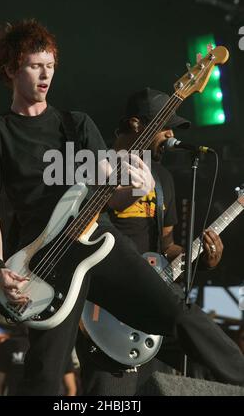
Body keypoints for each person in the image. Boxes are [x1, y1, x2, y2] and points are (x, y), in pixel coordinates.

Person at [0, 19, 244, 395]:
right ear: (11, 69)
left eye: (50, 65)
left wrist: (135, 189)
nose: (46, 74)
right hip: (43, 259)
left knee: (179, 315)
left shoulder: (75, 124)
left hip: (97, 241)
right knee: (46, 373)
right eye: (35, 65)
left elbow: (109, 192)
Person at [76, 87, 224, 395]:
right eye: (165, 126)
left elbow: (166, 247)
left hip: (149, 303)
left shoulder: (162, 178)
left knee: (191, 366)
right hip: (105, 307)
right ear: (135, 124)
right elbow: (81, 235)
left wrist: (203, 257)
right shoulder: (98, 165)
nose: (171, 135)